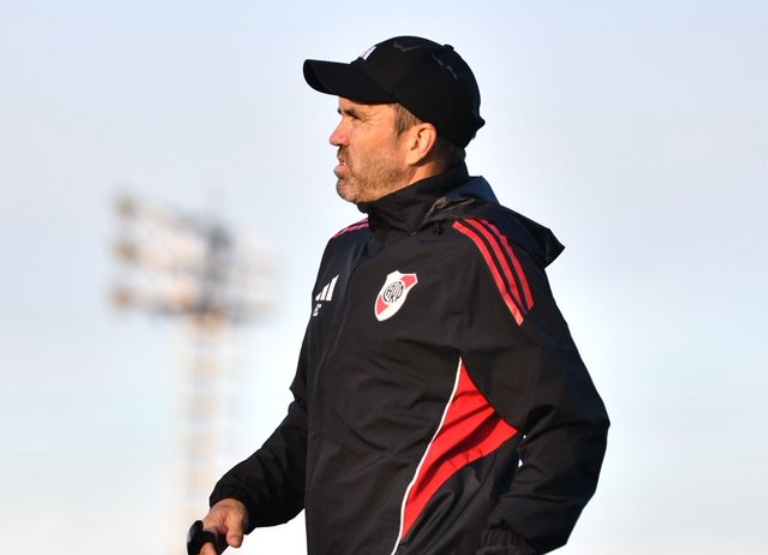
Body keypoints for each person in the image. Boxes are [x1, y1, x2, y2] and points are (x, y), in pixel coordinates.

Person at [188, 35, 609, 555]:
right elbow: (314, 425)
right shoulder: (343, 253)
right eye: (340, 114)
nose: (335, 135)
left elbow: (570, 425)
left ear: (418, 141)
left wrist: (508, 544)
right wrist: (241, 496)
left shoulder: (478, 253)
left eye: (358, 118)